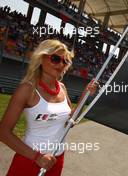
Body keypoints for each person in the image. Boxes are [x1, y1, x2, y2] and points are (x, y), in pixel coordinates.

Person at [0, 39, 97, 175]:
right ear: (41, 58)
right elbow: (3, 132)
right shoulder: (27, 89)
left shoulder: (62, 88)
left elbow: (69, 121)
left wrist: (85, 95)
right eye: (55, 59)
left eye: (65, 61)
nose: (61, 64)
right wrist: (37, 157)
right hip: (30, 159)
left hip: (56, 160)